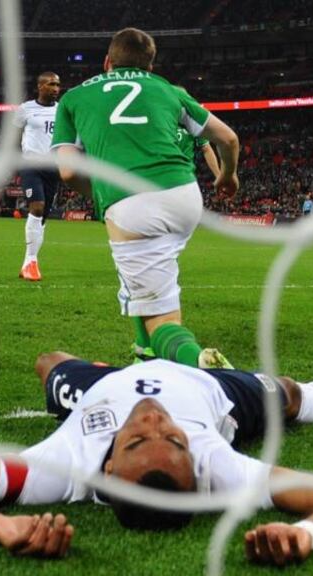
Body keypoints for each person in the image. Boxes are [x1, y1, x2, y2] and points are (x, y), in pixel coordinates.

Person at [0, 340, 313, 563]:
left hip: (101, 390)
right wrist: (307, 534)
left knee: (50, 362)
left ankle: (128, 360)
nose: (155, 417)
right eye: (175, 438)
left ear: (112, 467)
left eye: (140, 437)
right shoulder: (216, 464)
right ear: (197, 461)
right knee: (286, 395)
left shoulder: (65, 463)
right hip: (211, 390)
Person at [52, 28, 241, 369]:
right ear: (150, 66)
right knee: (144, 285)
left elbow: (67, 171)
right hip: (184, 195)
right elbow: (228, 138)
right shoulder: (167, 89)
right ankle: (144, 354)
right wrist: (227, 176)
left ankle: (203, 365)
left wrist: (101, 200)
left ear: (107, 62)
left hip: (131, 204)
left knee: (163, 322)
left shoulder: (73, 98)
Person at [16, 72, 62, 282]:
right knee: (37, 207)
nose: (56, 88)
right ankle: (30, 263)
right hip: (31, 165)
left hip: (53, 168)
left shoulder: (62, 110)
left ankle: (30, 262)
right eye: (51, 84)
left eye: (58, 85)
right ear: (40, 86)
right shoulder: (25, 109)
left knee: (42, 217)